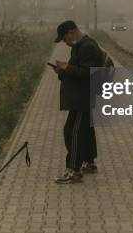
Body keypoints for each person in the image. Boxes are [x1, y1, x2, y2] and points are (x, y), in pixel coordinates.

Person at [52, 20, 101, 184]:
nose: (65, 43)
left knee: (73, 132)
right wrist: (62, 71)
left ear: (72, 32)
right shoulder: (79, 46)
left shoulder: (88, 47)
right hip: (80, 97)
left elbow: (89, 73)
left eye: (64, 39)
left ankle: (73, 170)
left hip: (83, 98)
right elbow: (76, 70)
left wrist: (67, 68)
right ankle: (89, 163)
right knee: (84, 131)